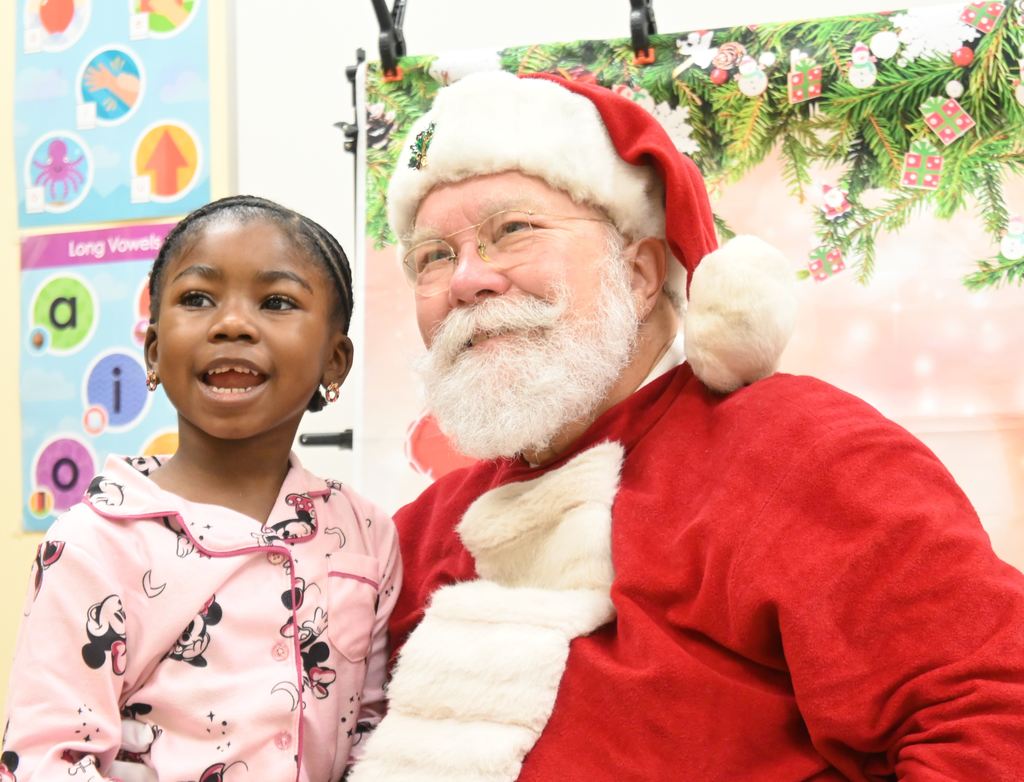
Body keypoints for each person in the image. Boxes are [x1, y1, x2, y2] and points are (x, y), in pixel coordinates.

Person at [348, 71, 1024, 780]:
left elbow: (992, 718)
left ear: (641, 274)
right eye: (433, 256)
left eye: (512, 231)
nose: (465, 280)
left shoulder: (797, 452)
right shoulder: (419, 533)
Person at [2, 196, 401, 781]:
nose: (232, 323)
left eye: (276, 301)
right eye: (197, 298)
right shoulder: (95, 543)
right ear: (154, 350)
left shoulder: (366, 534)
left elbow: (377, 733)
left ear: (334, 362)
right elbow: (43, 760)